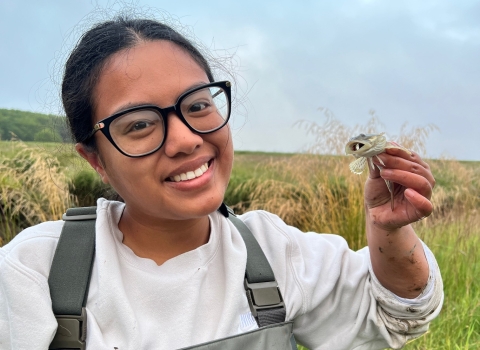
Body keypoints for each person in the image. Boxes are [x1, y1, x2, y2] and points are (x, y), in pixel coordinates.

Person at [0, 16, 443, 350]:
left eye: (196, 105)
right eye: (139, 125)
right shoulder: (36, 271)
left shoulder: (273, 250)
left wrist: (390, 229)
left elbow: (394, 312)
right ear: (95, 159)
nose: (186, 139)